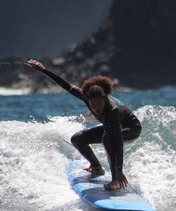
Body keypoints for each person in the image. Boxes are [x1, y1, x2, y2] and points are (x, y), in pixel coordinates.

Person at [27, 59, 141, 190]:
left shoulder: (113, 111)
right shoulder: (86, 97)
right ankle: (97, 168)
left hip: (131, 129)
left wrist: (119, 170)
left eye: (99, 103)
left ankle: (115, 180)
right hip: (111, 127)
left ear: (105, 99)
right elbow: (67, 86)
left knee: (108, 138)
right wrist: (44, 70)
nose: (95, 107)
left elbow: (118, 142)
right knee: (77, 139)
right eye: (92, 104)